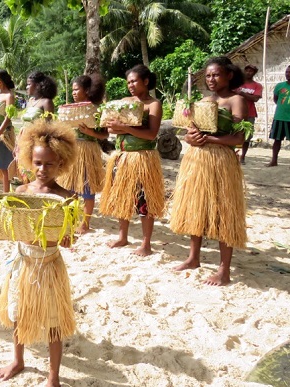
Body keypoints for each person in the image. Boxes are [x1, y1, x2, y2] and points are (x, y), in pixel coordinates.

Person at [0, 120, 77, 387]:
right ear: (29, 159)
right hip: (23, 262)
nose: (42, 169)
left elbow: (68, 238)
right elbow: (9, 227)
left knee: (54, 322)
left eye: (49, 164)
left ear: (62, 164)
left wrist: (65, 236)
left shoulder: (66, 197)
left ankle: (53, 376)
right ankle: (18, 359)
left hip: (49, 265)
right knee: (17, 313)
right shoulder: (21, 193)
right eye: (37, 162)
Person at [171, 57, 250, 286]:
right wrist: (190, 137)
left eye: (216, 75)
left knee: (224, 212)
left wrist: (209, 139)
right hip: (198, 160)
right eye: (207, 75)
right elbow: (188, 131)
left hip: (222, 161)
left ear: (229, 75)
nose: (211, 79)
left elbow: (239, 137)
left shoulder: (237, 100)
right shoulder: (203, 100)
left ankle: (224, 270)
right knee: (197, 206)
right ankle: (193, 258)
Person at [99, 64, 164, 256]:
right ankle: (122, 237)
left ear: (145, 81)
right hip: (123, 156)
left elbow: (151, 134)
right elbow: (110, 128)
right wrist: (120, 127)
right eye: (128, 82)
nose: (131, 85)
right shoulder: (124, 101)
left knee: (144, 199)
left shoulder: (154, 104)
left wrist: (125, 128)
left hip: (143, 157)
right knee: (122, 197)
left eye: (134, 81)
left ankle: (146, 243)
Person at [57, 74, 108, 233]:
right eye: (72, 90)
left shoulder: (96, 109)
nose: (73, 92)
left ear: (87, 90)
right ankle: (71, 218)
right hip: (72, 150)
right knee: (70, 187)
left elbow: (105, 134)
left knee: (87, 188)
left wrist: (90, 133)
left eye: (76, 89)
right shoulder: (69, 110)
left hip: (88, 151)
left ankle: (85, 223)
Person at [235, 64, 262, 164]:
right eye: (247, 70)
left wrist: (242, 94)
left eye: (251, 71)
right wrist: (248, 95)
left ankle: (243, 157)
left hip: (250, 113)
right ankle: (235, 155)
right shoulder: (237, 84)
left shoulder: (257, 86)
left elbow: (255, 98)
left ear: (254, 73)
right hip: (237, 112)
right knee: (236, 134)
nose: (248, 72)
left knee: (247, 137)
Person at [267, 64, 290, 167]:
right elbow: (276, 99)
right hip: (280, 117)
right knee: (277, 140)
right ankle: (274, 160)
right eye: (287, 72)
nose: (288, 74)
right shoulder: (279, 86)